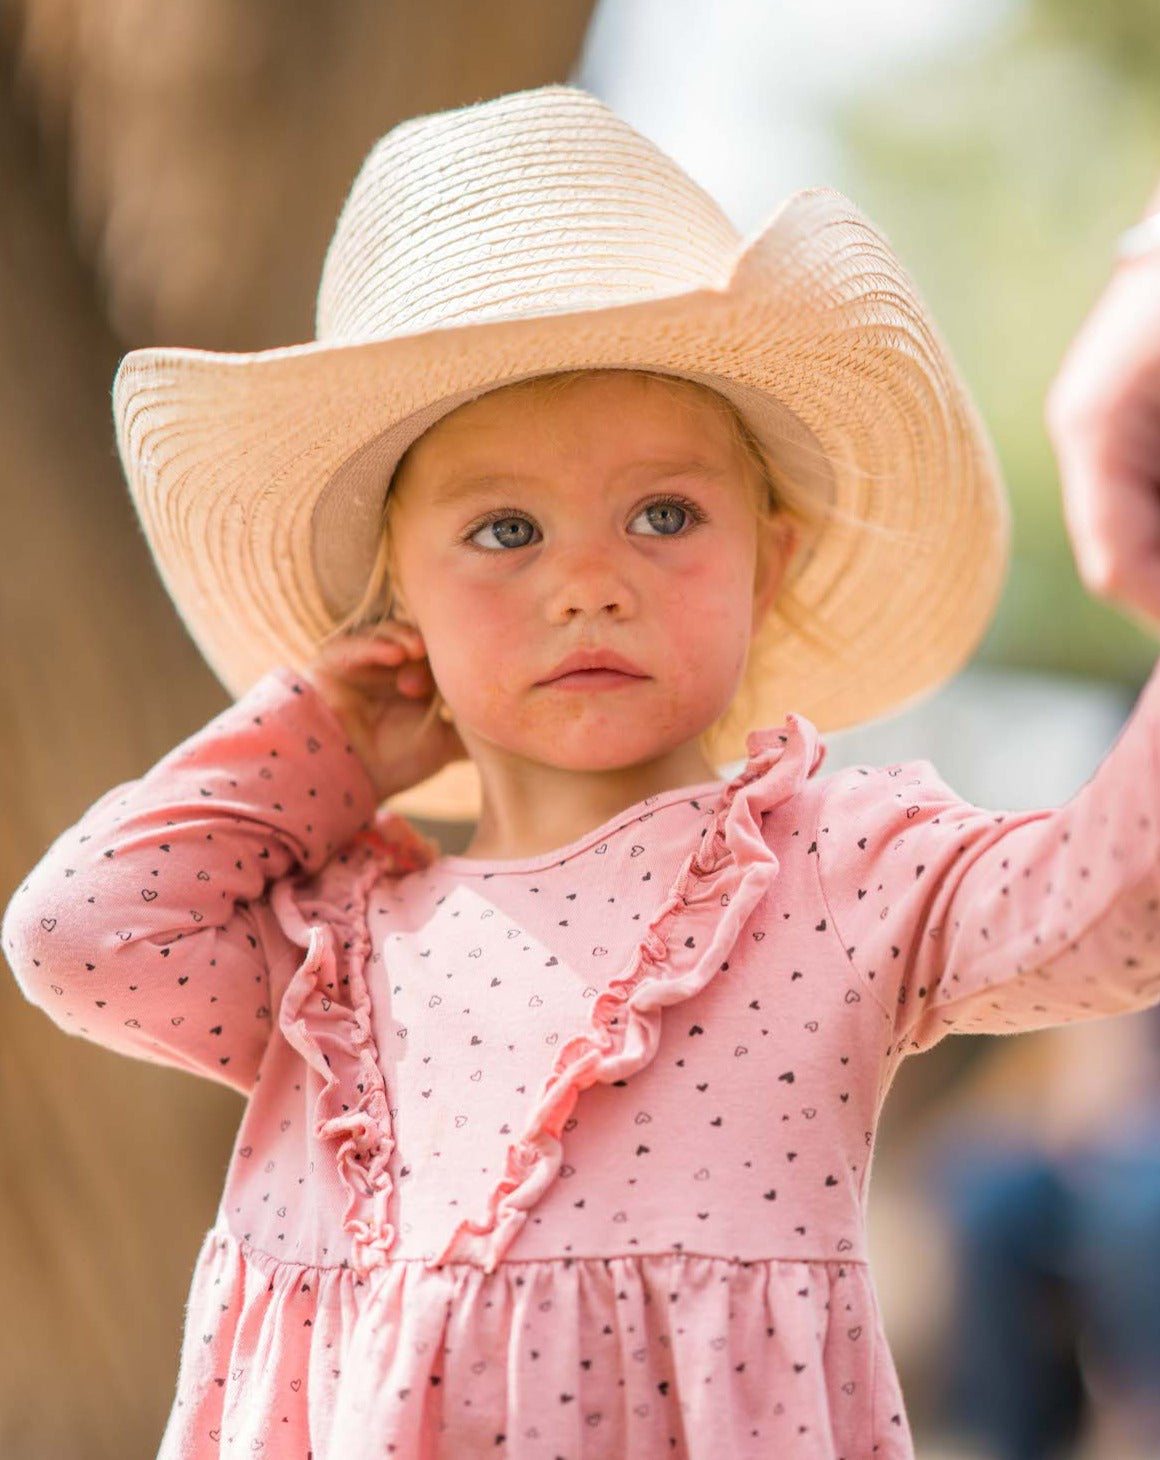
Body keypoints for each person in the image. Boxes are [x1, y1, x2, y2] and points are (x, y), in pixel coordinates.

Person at [2, 84, 1160, 1460]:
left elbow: (1111, 908)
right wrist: (322, 739)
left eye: (664, 514)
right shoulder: (331, 956)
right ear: (398, 607)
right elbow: (81, 935)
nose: (591, 583)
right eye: (505, 531)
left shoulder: (832, 872)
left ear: (767, 564)